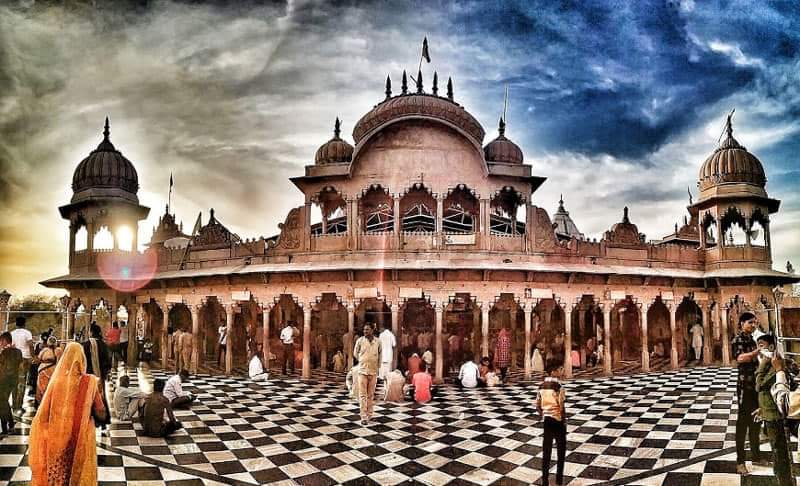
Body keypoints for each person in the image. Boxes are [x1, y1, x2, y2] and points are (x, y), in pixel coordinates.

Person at [29, 342, 108, 485]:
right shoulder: (90, 382)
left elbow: (42, 412)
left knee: (59, 474)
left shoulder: (57, 381)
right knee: (77, 473)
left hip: (57, 437)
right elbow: (101, 411)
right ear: (82, 359)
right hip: (81, 436)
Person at [732, 311, 767, 474]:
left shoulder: (752, 340)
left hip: (754, 385)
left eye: (754, 323)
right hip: (744, 386)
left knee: (756, 421)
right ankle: (740, 462)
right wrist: (756, 352)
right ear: (742, 324)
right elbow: (740, 358)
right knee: (742, 424)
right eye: (750, 323)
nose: (753, 325)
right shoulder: (738, 339)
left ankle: (756, 456)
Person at [755, 336, 793, 486]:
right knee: (777, 452)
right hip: (769, 412)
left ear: (771, 348)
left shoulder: (774, 365)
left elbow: (759, 385)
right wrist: (761, 409)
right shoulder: (771, 364)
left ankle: (785, 482)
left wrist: (764, 361)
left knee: (780, 452)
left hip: (775, 415)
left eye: (762, 345)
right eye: (758, 345)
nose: (759, 349)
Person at [536, 360, 567, 486]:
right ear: (554, 372)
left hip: (547, 421)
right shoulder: (558, 386)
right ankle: (559, 480)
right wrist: (564, 420)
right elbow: (562, 406)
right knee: (561, 451)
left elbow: (537, 406)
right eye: (560, 369)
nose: (562, 372)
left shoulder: (541, 386)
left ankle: (545, 481)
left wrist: (544, 414)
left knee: (546, 451)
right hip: (558, 421)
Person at [353, 323, 381, 425]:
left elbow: (380, 354)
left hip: (373, 371)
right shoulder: (360, 341)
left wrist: (378, 366)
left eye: (367, 330)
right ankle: (363, 417)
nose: (365, 331)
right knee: (362, 395)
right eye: (364, 330)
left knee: (370, 395)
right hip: (362, 371)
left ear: (372, 330)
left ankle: (370, 414)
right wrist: (362, 360)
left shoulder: (377, 341)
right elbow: (355, 353)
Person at [10, 316, 33, 413]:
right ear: (24, 324)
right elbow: (31, 345)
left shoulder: (12, 333)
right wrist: (33, 356)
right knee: (22, 382)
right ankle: (18, 405)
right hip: (24, 358)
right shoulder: (27, 333)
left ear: (16, 324)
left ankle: (14, 403)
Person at [0, 332, 22, 434]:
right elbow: (19, 364)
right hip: (14, 380)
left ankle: (7, 425)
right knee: (4, 402)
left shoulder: (4, 353)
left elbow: (3, 367)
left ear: (4, 340)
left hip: (3, 380)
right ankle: (7, 425)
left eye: (1, 341)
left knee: (3, 402)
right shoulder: (18, 352)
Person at [34, 338, 59, 407]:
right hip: (54, 371)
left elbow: (38, 359)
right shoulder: (58, 350)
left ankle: (41, 404)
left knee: (41, 388)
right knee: (51, 388)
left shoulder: (44, 350)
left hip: (43, 370)